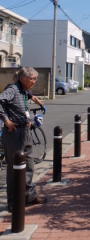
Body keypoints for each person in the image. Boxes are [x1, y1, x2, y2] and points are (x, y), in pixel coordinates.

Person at [0, 67, 47, 212]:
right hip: (14, 132)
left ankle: (29, 197)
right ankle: (13, 201)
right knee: (15, 167)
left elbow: (29, 102)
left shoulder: (25, 91)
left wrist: (41, 105)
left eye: (35, 79)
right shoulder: (13, 89)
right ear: (22, 78)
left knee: (29, 165)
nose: (34, 81)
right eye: (31, 78)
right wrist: (6, 121)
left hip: (26, 131)